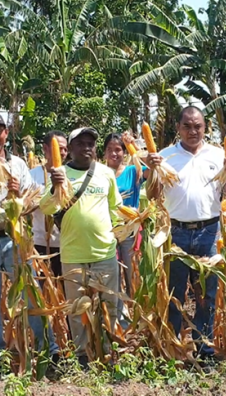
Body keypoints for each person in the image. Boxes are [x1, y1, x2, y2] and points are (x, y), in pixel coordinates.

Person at [144, 106, 226, 358]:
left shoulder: (218, 156)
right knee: (175, 293)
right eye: (186, 126)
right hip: (174, 233)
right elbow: (152, 196)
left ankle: (203, 349)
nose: (192, 131)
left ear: (205, 128)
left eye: (197, 126)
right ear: (178, 128)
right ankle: (174, 348)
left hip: (208, 232)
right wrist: (152, 171)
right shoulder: (165, 156)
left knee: (206, 296)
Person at [0, 112, 59, 362]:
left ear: (7, 133)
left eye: (0, 129)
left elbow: (31, 200)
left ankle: (48, 348)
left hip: (15, 237)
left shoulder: (18, 164)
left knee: (31, 294)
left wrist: (18, 195)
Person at [40, 127, 122, 366]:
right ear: (71, 149)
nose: (87, 148)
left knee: (109, 307)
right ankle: (82, 356)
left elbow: (115, 208)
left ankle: (107, 353)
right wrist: (55, 187)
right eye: (81, 143)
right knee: (77, 311)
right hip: (73, 254)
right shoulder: (60, 174)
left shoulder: (106, 173)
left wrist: (115, 235)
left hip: (104, 252)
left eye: (91, 144)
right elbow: (46, 208)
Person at [102, 132, 147, 328]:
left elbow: (153, 169)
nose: (114, 153)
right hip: (107, 231)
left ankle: (138, 318)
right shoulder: (99, 174)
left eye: (118, 149)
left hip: (130, 231)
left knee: (132, 274)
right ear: (104, 153)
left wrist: (133, 148)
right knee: (114, 276)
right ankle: (120, 321)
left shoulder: (133, 171)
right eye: (110, 150)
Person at [30, 130, 67, 280]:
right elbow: (25, 206)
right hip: (40, 243)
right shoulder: (32, 175)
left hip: (66, 244)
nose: (63, 152)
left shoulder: (71, 173)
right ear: (45, 149)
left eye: (65, 149)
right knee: (44, 290)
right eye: (58, 148)